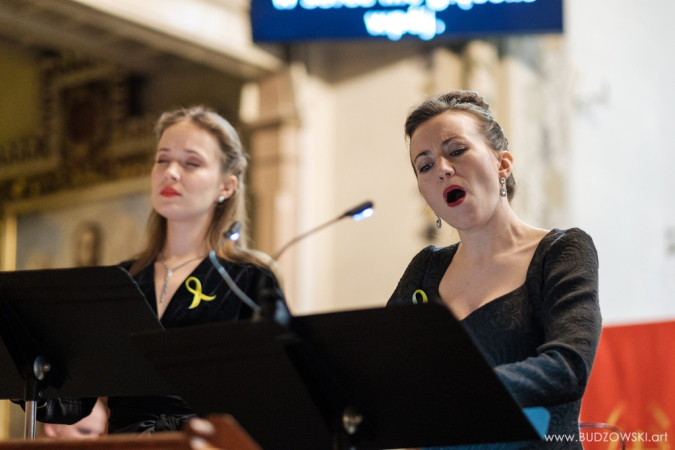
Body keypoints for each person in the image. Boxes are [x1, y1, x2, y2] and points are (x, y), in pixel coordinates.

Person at [30, 106, 284, 434]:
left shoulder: (249, 278)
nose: (171, 172)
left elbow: (277, 397)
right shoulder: (121, 279)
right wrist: (31, 361)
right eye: (162, 160)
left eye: (191, 163)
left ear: (227, 186)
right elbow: (70, 403)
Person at [387, 91, 601, 449]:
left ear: (503, 164)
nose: (441, 169)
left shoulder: (561, 251)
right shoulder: (426, 268)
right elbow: (382, 365)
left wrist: (461, 388)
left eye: (456, 151)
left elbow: (568, 366)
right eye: (424, 166)